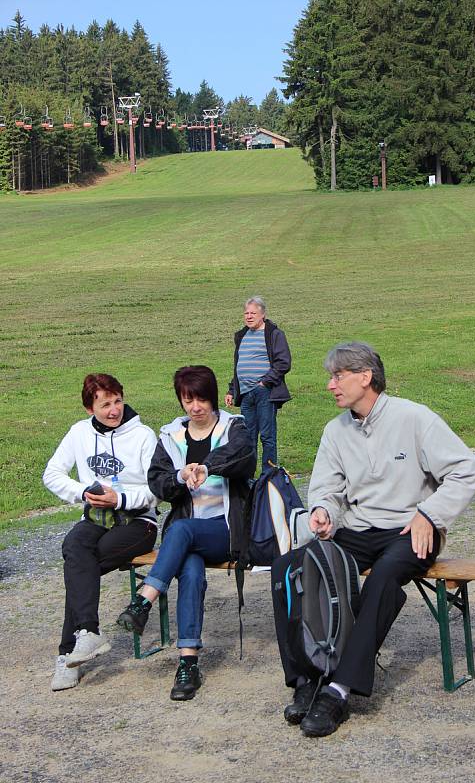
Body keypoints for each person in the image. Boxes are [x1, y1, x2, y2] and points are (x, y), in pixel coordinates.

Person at [271, 341, 475, 738]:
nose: (331, 385)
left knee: (384, 576)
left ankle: (339, 689)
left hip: (411, 529)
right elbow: (327, 490)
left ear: (365, 377)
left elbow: (466, 471)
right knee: (289, 568)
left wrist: (430, 514)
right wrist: (323, 512)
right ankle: (305, 679)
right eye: (330, 377)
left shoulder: (415, 419)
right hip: (358, 528)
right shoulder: (335, 431)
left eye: (338, 376)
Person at [117, 365, 256, 701]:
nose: (196, 406)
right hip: (190, 537)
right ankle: (188, 663)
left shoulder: (233, 427)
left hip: (227, 531)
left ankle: (144, 601)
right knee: (190, 570)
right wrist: (180, 477)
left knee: (180, 530)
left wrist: (206, 466)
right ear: (180, 400)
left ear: (212, 398)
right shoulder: (170, 437)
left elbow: (243, 458)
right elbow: (158, 482)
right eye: (188, 399)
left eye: (202, 398)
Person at [43, 373, 158, 692]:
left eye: (118, 401)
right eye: (105, 404)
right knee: (75, 547)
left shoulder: (143, 435)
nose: (114, 410)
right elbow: (51, 474)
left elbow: (156, 489)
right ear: (88, 408)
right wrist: (84, 492)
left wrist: (119, 498)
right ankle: (87, 635)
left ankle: (68, 655)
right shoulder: (79, 433)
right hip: (96, 518)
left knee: (79, 567)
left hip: (138, 522)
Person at [225, 296, 291, 474]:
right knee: (248, 437)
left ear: (263, 314)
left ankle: (268, 477)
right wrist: (232, 389)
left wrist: (264, 383)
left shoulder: (274, 334)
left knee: (268, 437)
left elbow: (283, 363)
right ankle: (248, 476)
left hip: (264, 392)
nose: (249, 316)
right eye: (246, 313)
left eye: (253, 313)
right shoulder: (242, 335)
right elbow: (239, 366)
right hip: (246, 394)